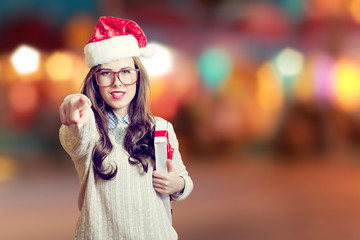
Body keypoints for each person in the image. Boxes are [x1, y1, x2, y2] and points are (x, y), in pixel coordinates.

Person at [59, 16, 194, 240]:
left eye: (126, 72)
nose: (117, 82)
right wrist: (75, 106)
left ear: (138, 76)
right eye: (106, 73)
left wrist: (176, 184)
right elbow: (75, 139)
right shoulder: (89, 130)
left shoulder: (160, 128)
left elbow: (184, 180)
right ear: (94, 80)